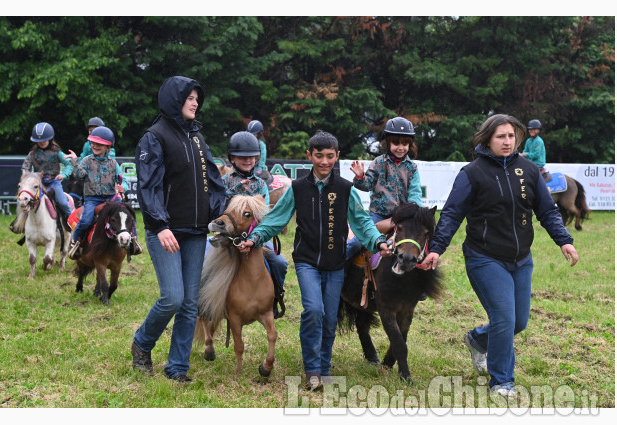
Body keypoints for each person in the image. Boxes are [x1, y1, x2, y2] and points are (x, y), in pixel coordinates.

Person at [420, 114, 578, 397]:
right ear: (487, 139)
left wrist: (563, 240)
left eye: (511, 136)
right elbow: (452, 214)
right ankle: (502, 382)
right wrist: (436, 248)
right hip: (485, 257)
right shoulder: (472, 173)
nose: (507, 141)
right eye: (500, 136)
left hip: (521, 259)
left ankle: (478, 339)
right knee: (504, 318)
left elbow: (546, 210)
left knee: (518, 322)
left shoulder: (528, 170)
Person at [238, 130, 392, 390]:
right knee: (314, 311)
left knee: (330, 318)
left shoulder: (345, 188)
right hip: (307, 261)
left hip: (336, 262)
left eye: (330, 156)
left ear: (337, 157)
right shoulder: (297, 188)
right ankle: (312, 371)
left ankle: (324, 367)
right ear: (309, 156)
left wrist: (378, 241)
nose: (324, 161)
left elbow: (362, 222)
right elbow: (277, 219)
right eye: (318, 156)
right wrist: (256, 237)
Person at [131, 76, 226, 383]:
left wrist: (216, 215)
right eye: (189, 98)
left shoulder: (197, 137)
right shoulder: (154, 137)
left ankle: (177, 369)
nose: (195, 103)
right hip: (166, 232)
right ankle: (142, 344)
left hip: (197, 232)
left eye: (198, 98)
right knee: (172, 297)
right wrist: (159, 226)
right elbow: (149, 186)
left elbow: (214, 181)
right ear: (175, 99)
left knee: (189, 304)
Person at [346, 116, 423, 262]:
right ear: (387, 143)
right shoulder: (378, 162)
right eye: (396, 143)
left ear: (410, 145)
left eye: (405, 144)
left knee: (420, 242)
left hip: (402, 219)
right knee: (356, 243)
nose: (401, 148)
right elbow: (366, 184)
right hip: (378, 216)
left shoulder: (412, 168)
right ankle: (338, 267)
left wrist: (411, 213)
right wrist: (361, 177)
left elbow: (415, 194)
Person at [219, 130, 288, 290]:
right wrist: (233, 191)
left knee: (280, 263)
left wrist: (255, 237)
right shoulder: (224, 181)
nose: (248, 160)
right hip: (227, 235)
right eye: (242, 157)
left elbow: (264, 213)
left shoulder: (261, 184)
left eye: (251, 157)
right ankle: (205, 307)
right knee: (204, 263)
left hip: (255, 236)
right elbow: (218, 206)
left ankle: (276, 296)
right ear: (233, 159)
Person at [65, 126, 141, 259]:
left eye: (99, 144)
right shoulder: (87, 160)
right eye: (93, 143)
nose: (95, 145)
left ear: (108, 147)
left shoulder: (113, 163)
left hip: (111, 198)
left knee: (127, 214)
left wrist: (123, 187)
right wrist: (75, 161)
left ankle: (133, 241)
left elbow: (123, 179)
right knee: (86, 220)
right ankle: (74, 243)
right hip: (92, 199)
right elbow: (79, 174)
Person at [21, 122, 74, 220]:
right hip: (38, 184)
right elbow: (25, 168)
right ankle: (22, 226)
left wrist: (63, 174)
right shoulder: (32, 154)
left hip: (54, 183)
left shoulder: (57, 152)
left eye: (44, 140)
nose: (42, 142)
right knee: (24, 200)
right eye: (39, 140)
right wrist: (28, 177)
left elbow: (69, 165)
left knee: (62, 202)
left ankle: (73, 222)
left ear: (50, 139)